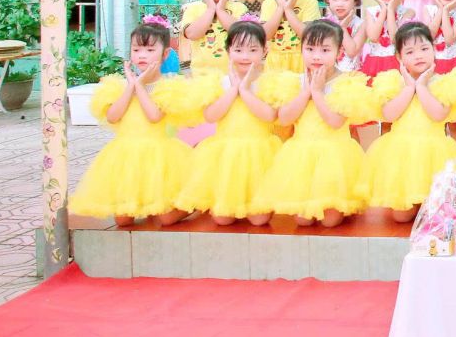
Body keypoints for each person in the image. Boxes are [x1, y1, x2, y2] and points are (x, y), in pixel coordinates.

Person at [69, 21, 203, 227]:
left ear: (165, 53)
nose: (142, 55)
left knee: (166, 218)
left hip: (159, 154)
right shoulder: (122, 86)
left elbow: (154, 116)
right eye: (136, 49)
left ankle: (197, 203)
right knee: (123, 220)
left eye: (150, 50)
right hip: (126, 154)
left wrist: (139, 85)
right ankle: (146, 205)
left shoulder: (168, 86)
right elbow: (113, 117)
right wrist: (131, 86)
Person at [253, 20, 372, 228]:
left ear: (339, 52)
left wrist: (317, 93)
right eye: (310, 49)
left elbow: (335, 122)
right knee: (302, 220)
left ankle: (343, 208)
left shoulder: (346, 82)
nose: (316, 56)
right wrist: (306, 92)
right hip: (301, 153)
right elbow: (285, 118)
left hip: (335, 154)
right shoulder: (293, 81)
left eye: (325, 50)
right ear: (301, 50)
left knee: (330, 221)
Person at [175, 21, 286, 227]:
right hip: (226, 151)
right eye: (238, 50)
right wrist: (233, 90)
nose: (245, 56)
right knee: (222, 219)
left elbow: (270, 116)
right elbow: (211, 116)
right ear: (228, 51)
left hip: (260, 150)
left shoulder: (270, 82)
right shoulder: (219, 82)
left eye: (252, 50)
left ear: (264, 50)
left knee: (259, 219)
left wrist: (244, 90)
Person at [364, 22, 456, 221]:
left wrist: (422, 86)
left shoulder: (445, 82)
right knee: (401, 217)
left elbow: (438, 115)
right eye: (410, 52)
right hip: (401, 154)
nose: (419, 56)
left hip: (434, 153)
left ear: (434, 50)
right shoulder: (393, 82)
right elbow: (389, 115)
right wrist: (410, 87)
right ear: (399, 57)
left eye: (424, 49)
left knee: (434, 214)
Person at [180, 0, 245, 73]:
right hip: (201, 73)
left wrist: (220, 10)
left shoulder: (239, 8)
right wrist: (210, 9)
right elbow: (192, 34)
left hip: (234, 73)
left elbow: (241, 34)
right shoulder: (193, 9)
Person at [361, 0, 409, 77]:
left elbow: (395, 39)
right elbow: (373, 37)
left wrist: (391, 10)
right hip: (375, 63)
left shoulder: (408, 12)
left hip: (397, 63)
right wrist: (383, 10)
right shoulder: (371, 11)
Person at [323, 0, 366, 73]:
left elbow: (352, 52)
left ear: (355, 0)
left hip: (351, 75)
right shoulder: (323, 23)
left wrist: (342, 28)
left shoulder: (361, 24)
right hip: (328, 73)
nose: (340, 4)